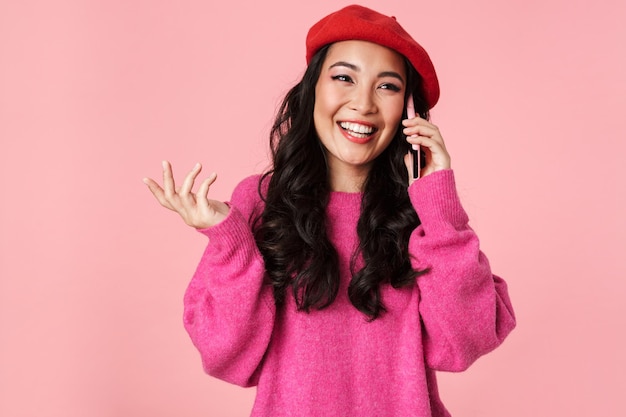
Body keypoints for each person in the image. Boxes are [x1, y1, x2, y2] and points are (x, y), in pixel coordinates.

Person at [143, 4, 516, 417]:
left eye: (387, 87)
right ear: (312, 89)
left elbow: (468, 341)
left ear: (409, 112)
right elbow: (224, 355)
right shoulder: (262, 202)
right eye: (343, 77)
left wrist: (439, 208)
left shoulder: (423, 215)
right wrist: (229, 240)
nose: (363, 103)